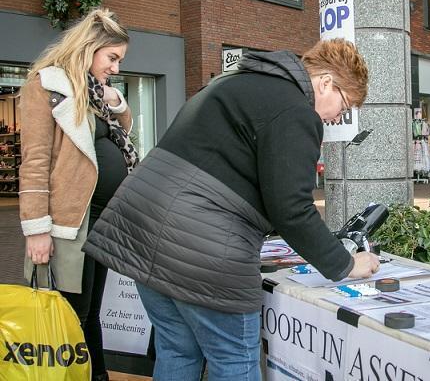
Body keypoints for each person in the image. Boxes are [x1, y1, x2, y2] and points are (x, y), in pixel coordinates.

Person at [83, 38, 380, 380]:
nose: (338, 118)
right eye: (345, 106)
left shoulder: (236, 81)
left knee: (177, 351)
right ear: (326, 82)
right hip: (201, 250)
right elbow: (292, 209)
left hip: (142, 231)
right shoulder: (296, 109)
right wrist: (344, 263)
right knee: (234, 362)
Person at [19, 8, 135, 381]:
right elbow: (35, 161)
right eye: (112, 58)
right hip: (69, 225)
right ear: (89, 48)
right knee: (72, 315)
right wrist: (36, 230)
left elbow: (122, 138)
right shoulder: (47, 86)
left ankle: (96, 375)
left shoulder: (93, 93)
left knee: (90, 313)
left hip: (101, 223)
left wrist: (114, 103)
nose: (116, 67)